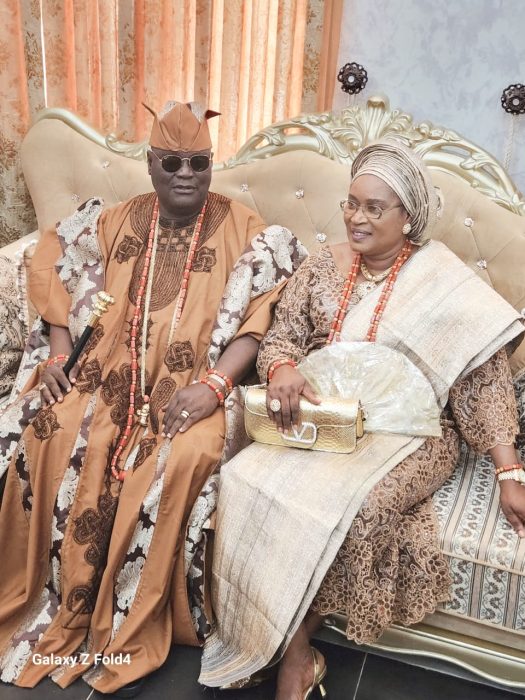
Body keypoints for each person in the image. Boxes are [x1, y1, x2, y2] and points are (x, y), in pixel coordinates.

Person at [199, 140, 525, 699]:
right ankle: (285, 647)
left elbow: (486, 383)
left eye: (375, 208)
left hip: (414, 432)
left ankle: (293, 657)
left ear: (408, 216)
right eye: (351, 203)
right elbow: (282, 336)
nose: (356, 217)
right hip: (324, 417)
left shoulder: (441, 279)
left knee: (361, 506)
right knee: (244, 480)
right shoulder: (322, 265)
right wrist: (281, 368)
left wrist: (508, 472)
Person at [0, 101, 304, 694]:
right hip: (102, 375)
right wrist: (59, 356)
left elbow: (263, 313)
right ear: (150, 164)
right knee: (50, 432)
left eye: (198, 163)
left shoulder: (245, 228)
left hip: (198, 387)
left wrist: (216, 385)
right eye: (172, 163)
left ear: (211, 165)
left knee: (180, 459)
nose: (186, 174)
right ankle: (54, 602)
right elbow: (55, 266)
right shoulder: (115, 220)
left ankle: (130, 624)